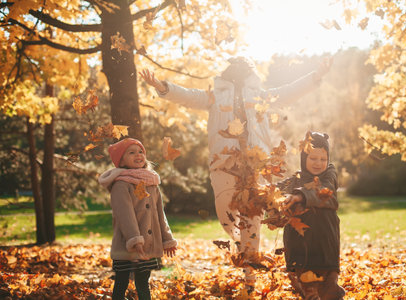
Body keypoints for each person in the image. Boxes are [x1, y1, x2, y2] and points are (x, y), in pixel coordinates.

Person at [139, 57, 331, 288]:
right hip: (224, 162)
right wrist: (162, 86)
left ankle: (250, 273)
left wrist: (315, 76)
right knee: (225, 210)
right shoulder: (215, 95)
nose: (239, 71)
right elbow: (189, 95)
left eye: (244, 68)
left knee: (253, 215)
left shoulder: (261, 95)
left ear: (250, 74)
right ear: (227, 73)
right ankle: (242, 245)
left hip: (254, 163)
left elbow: (290, 91)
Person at [98, 138, 177, 300]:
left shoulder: (151, 182)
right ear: (121, 160)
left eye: (141, 151)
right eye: (131, 152)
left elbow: (159, 214)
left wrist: (167, 239)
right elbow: (125, 214)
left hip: (147, 244)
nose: (138, 155)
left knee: (143, 281)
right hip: (126, 244)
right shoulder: (121, 185)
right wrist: (135, 240)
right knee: (121, 281)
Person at [277, 132, 345, 300]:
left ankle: (333, 293)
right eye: (313, 158)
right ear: (304, 158)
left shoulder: (330, 175)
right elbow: (275, 191)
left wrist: (299, 196)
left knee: (328, 286)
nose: (318, 163)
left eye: (323, 159)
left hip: (325, 243)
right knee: (308, 289)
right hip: (300, 246)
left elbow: (324, 189)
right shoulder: (295, 179)